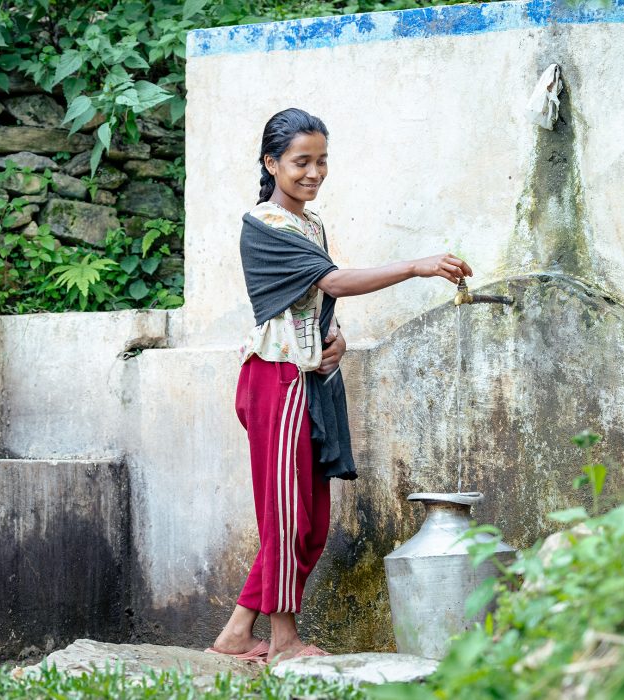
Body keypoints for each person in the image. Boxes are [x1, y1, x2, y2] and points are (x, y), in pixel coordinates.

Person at [206, 108, 474, 664]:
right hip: (274, 381)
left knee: (312, 523)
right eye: (301, 161)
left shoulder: (310, 224)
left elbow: (314, 302)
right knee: (286, 519)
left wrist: (338, 341)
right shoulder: (263, 225)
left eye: (321, 160)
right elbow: (330, 280)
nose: (314, 172)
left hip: (311, 381)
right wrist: (416, 267)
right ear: (271, 163)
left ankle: (236, 633)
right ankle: (283, 640)